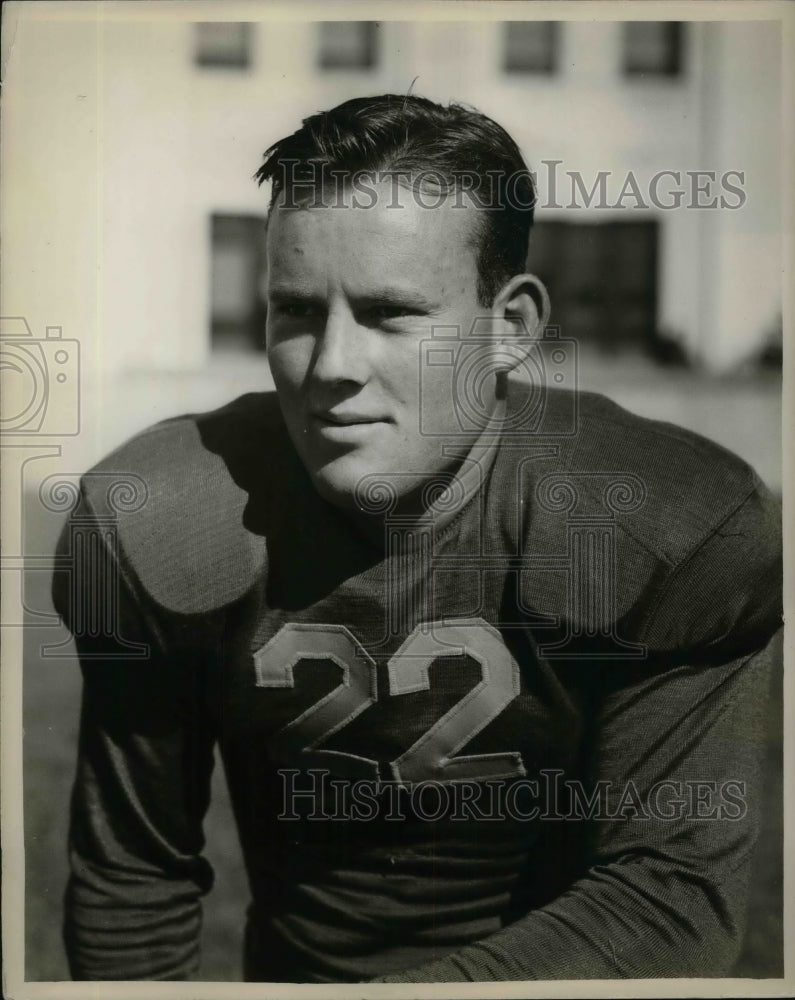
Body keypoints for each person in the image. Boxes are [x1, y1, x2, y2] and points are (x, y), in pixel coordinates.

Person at [53, 94, 782, 983]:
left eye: (390, 313)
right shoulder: (161, 513)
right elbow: (136, 880)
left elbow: (667, 898)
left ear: (508, 329)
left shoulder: (662, 522)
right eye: (295, 312)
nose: (330, 369)